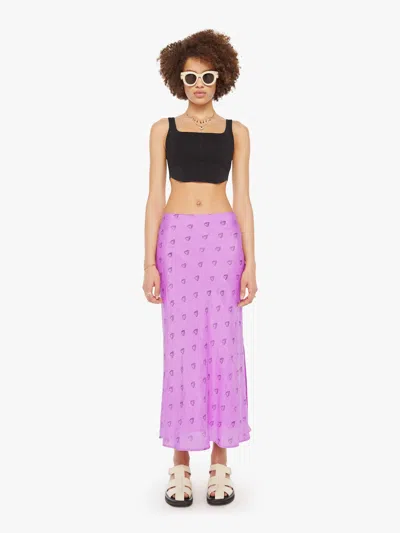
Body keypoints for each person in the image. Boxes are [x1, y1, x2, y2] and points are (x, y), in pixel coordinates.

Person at [142, 29, 258, 507]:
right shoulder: (162, 129)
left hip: (222, 243)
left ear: (221, 78)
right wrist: (148, 261)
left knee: (223, 347)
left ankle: (220, 461)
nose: (199, 85)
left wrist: (251, 262)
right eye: (190, 77)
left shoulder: (237, 132)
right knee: (181, 349)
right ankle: (179, 463)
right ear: (178, 79)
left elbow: (243, 199)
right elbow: (154, 197)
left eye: (207, 76)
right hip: (177, 244)